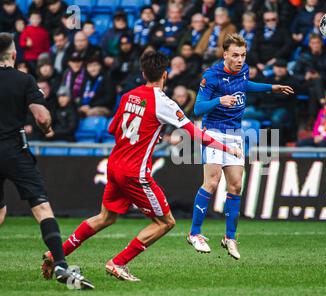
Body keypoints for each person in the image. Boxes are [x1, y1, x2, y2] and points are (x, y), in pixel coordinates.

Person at [41, 51, 242, 281]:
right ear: (165, 74)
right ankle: (118, 262)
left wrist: (146, 135)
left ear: (143, 73)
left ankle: (56, 253)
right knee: (166, 222)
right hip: (134, 172)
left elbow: (112, 130)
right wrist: (227, 149)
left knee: (105, 217)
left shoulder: (128, 96)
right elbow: (196, 134)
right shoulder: (163, 102)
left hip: (115, 165)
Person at [187, 34, 294, 259]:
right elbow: (197, 109)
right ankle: (194, 233)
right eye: (235, 55)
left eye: (243, 55)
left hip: (234, 134)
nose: (240, 60)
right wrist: (219, 100)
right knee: (212, 181)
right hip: (214, 131)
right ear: (225, 54)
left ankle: (230, 238)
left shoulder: (243, 70)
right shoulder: (211, 75)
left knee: (235, 187)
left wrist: (271, 87)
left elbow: (245, 85)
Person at [0, 33, 93, 288]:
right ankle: (62, 265)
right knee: (41, 208)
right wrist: (47, 126)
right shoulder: (24, 80)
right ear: (14, 55)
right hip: (14, 151)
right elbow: (41, 118)